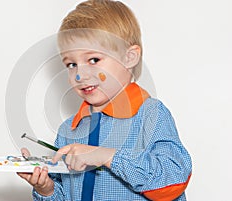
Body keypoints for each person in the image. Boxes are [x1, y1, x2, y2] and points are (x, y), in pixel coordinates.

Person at [17, 0, 192, 200]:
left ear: (129, 57)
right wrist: (46, 189)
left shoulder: (150, 114)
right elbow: (67, 195)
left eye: (94, 60)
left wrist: (106, 156)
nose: (79, 75)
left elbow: (174, 179)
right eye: (71, 64)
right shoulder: (69, 131)